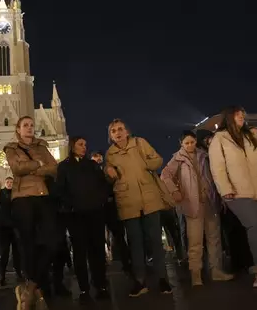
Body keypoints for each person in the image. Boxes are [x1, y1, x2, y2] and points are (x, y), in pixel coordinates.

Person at [208, 106, 257, 288]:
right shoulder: (220, 139)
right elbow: (217, 167)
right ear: (229, 117)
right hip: (238, 192)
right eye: (237, 114)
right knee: (255, 226)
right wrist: (225, 188)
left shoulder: (252, 136)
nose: (241, 116)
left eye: (242, 114)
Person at [105, 119, 172, 297]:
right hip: (128, 203)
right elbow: (110, 179)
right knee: (135, 244)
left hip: (149, 199)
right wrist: (109, 173)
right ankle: (140, 281)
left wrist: (146, 165)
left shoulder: (140, 143)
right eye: (113, 131)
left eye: (120, 129)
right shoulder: (110, 154)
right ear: (111, 136)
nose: (118, 133)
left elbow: (157, 159)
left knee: (156, 242)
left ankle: (162, 279)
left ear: (127, 131)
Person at [161, 130, 234, 286]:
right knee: (195, 242)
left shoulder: (204, 155)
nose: (190, 145)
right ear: (181, 144)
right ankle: (196, 275)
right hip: (192, 205)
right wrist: (174, 191)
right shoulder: (178, 159)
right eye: (186, 143)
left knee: (214, 239)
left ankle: (216, 271)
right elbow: (165, 175)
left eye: (192, 142)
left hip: (210, 201)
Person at [4, 116, 59, 310]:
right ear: (18, 129)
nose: (29, 128)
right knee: (28, 244)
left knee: (52, 242)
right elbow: (17, 168)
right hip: (22, 198)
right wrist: (38, 165)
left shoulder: (42, 147)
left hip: (43, 197)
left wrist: (37, 168)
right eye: (25, 125)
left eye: (31, 125)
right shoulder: (11, 148)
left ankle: (29, 287)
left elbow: (55, 168)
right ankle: (36, 291)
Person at [57, 136, 111, 303]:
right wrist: (71, 206)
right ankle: (83, 289)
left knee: (98, 251)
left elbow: (103, 186)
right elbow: (60, 189)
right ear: (72, 146)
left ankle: (100, 285)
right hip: (76, 216)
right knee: (80, 253)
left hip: (95, 213)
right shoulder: (64, 167)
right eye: (80, 144)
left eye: (85, 144)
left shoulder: (92, 166)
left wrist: (100, 201)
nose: (84, 147)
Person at [92, 151, 133, 276]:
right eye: (95, 158)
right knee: (101, 237)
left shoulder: (107, 169)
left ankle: (126, 262)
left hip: (109, 205)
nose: (98, 160)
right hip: (100, 206)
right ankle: (104, 263)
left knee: (118, 235)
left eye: (99, 158)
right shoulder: (92, 171)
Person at [0, 177, 23, 286]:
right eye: (8, 182)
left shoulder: (16, 193)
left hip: (15, 226)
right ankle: (2, 275)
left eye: (11, 182)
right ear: (4, 183)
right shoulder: (1, 193)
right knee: (4, 252)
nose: (10, 183)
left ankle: (18, 273)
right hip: (4, 227)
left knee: (17, 252)